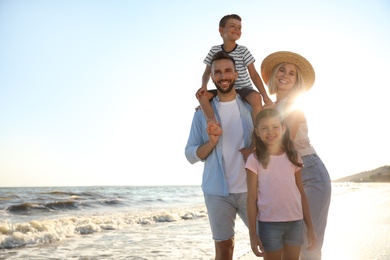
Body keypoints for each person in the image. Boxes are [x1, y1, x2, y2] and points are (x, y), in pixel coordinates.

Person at [260, 51, 332, 259]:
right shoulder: (270, 108)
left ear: (296, 81)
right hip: (287, 178)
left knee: (308, 244)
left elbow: (283, 142)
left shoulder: (293, 106)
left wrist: (253, 150)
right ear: (274, 74)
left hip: (310, 174)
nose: (286, 75)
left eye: (292, 73)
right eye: (282, 70)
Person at [185, 50, 254, 260]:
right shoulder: (201, 114)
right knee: (224, 250)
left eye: (227, 71)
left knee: (268, 242)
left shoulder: (251, 107)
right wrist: (212, 143)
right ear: (212, 77)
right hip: (217, 192)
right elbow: (190, 153)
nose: (223, 76)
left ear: (235, 74)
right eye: (218, 72)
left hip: (252, 190)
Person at [246, 108, 317, 260]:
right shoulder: (254, 159)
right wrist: (253, 234)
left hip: (295, 222)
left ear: (283, 129)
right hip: (269, 223)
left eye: (275, 127)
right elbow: (251, 198)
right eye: (264, 128)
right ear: (257, 132)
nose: (270, 132)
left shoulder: (294, 156)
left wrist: (310, 227)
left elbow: (301, 192)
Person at [196, 14, 272, 131]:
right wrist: (203, 86)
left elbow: (254, 74)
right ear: (221, 30)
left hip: (244, 88)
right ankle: (212, 122)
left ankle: (258, 130)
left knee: (256, 97)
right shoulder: (214, 50)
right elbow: (207, 72)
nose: (237, 29)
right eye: (233, 26)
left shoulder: (243, 50)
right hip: (223, 88)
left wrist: (265, 96)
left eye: (239, 28)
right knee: (202, 96)